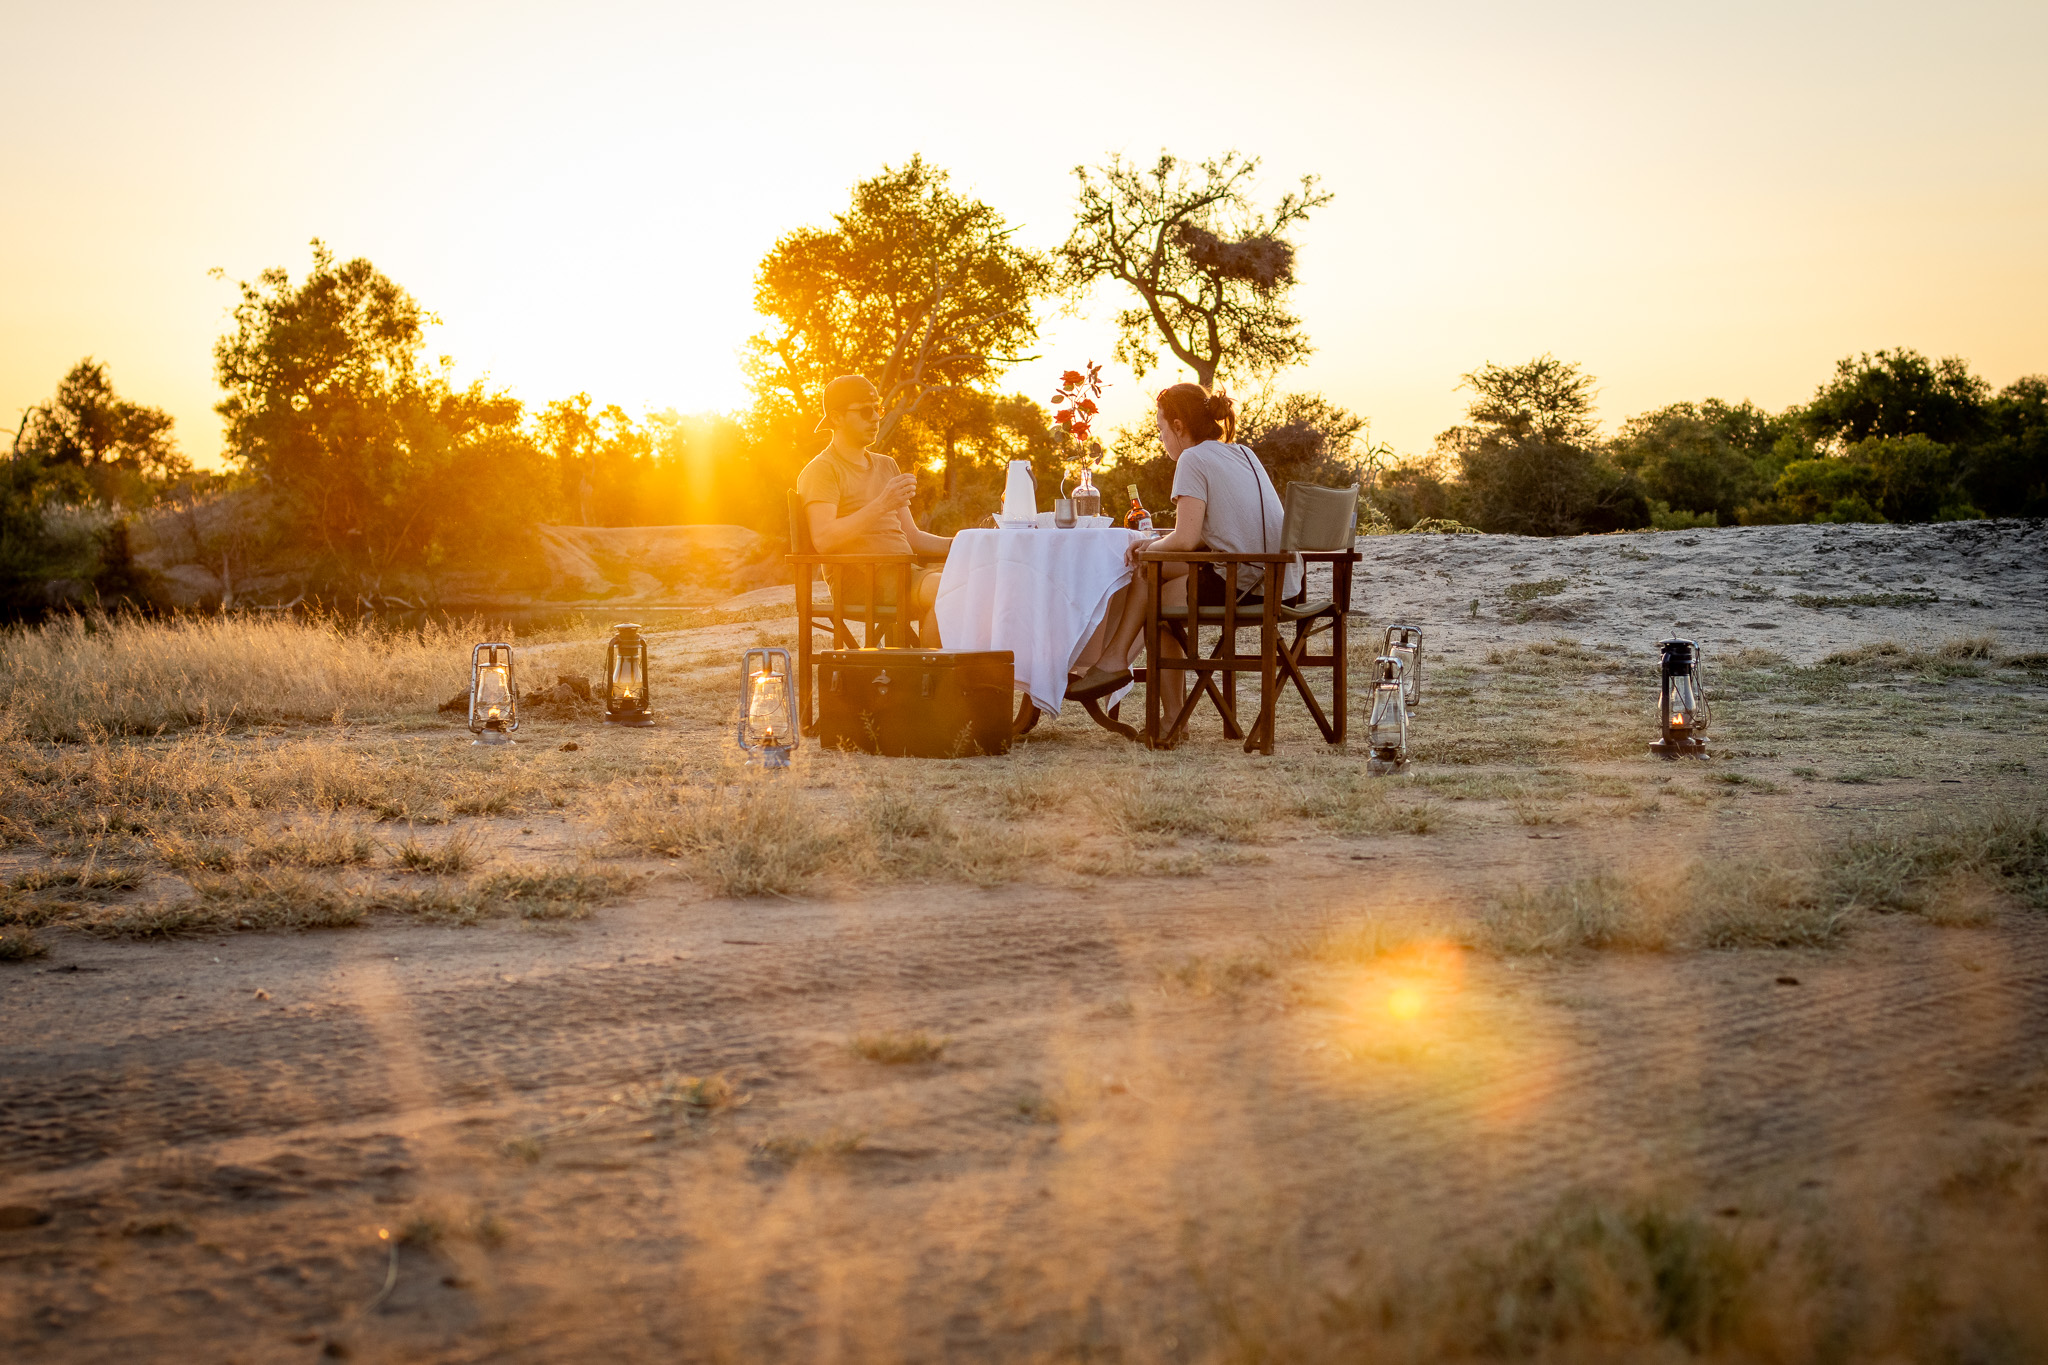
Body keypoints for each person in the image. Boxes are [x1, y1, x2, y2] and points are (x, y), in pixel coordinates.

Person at [1069, 382, 1295, 704]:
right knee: (1150, 573)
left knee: (1153, 592)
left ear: (1178, 426)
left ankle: (1135, 682)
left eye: (1161, 429)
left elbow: (1187, 540)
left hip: (1245, 584)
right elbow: (1209, 531)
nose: (1161, 439)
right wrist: (1156, 547)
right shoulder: (1244, 453)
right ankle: (1114, 661)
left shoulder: (1192, 458)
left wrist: (1148, 548)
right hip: (1284, 582)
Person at [796, 374, 953, 645]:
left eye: (877, 409)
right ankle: (930, 670)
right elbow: (823, 539)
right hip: (861, 580)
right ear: (836, 418)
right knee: (948, 592)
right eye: (865, 411)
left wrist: (965, 542)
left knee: (977, 584)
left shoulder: (886, 465)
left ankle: (946, 666)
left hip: (902, 572)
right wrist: (882, 504)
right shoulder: (822, 470)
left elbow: (913, 537)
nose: (876, 418)